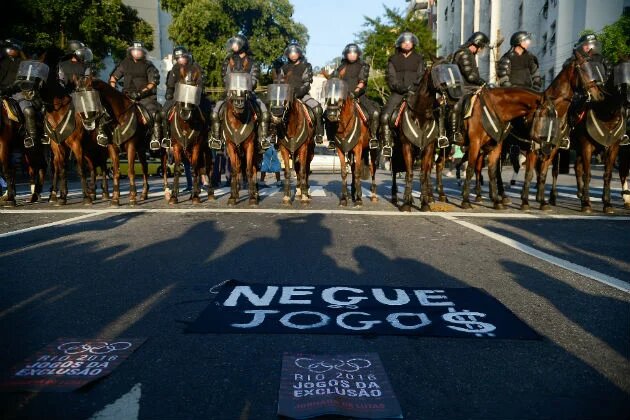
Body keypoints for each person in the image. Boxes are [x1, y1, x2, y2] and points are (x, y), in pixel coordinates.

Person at [209, 34, 271, 150]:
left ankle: (263, 138)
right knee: (215, 112)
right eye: (232, 44)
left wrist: (248, 88)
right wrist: (230, 89)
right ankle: (216, 138)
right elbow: (225, 77)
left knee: (264, 111)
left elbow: (254, 79)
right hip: (230, 94)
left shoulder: (252, 62)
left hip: (247, 94)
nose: (233, 46)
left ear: (242, 45)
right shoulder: (228, 60)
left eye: (236, 44)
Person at [109, 41, 162, 151]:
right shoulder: (124, 63)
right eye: (135, 50)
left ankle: (155, 139)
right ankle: (106, 137)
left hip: (144, 97)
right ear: (131, 52)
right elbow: (114, 77)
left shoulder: (149, 65)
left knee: (154, 113)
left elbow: (153, 82)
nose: (137, 53)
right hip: (126, 96)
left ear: (143, 53)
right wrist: (112, 89)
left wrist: (140, 93)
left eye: (139, 51)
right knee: (108, 112)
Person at [58, 40, 112, 147]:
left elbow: (88, 78)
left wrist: (81, 84)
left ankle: (101, 133)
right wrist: (66, 87)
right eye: (80, 51)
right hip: (66, 95)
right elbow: (61, 80)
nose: (83, 54)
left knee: (101, 108)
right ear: (73, 52)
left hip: (82, 94)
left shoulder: (85, 65)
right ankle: (46, 133)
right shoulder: (62, 65)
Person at [380, 32, 425, 157]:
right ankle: (387, 144)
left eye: (409, 41)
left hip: (415, 93)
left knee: (433, 113)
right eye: (404, 42)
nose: (407, 44)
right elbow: (391, 78)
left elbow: (421, 76)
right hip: (398, 93)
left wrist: (414, 88)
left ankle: (435, 139)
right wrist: (402, 88)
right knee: (384, 116)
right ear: (400, 44)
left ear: (413, 43)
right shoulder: (393, 59)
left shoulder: (419, 58)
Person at [330, 43, 380, 150]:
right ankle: (331, 139)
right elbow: (335, 80)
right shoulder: (341, 66)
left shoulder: (363, 65)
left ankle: (373, 137)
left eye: (354, 53)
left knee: (374, 113)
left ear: (358, 54)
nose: (352, 55)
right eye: (350, 53)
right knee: (328, 114)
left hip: (359, 96)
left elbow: (362, 82)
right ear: (346, 54)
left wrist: (355, 92)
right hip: (342, 98)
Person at [160, 46, 212, 148]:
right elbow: (170, 85)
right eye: (178, 58)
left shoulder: (195, 67)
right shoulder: (174, 69)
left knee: (208, 110)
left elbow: (201, 82)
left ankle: (210, 136)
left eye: (182, 57)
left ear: (187, 56)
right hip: (178, 97)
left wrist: (198, 91)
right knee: (163, 113)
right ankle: (166, 137)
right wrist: (169, 93)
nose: (181, 60)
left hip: (194, 97)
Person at [276, 42, 324, 145]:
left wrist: (298, 92)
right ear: (288, 54)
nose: (293, 55)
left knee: (318, 108)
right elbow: (280, 82)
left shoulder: (306, 66)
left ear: (299, 54)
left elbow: (307, 83)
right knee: (275, 109)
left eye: (295, 52)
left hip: (302, 95)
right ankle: (274, 136)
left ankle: (319, 134)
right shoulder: (283, 68)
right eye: (291, 53)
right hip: (286, 97)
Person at [450, 31, 491, 145]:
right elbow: (470, 75)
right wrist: (482, 82)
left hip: (471, 87)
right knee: (458, 105)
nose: (481, 50)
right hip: (462, 88)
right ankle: (454, 133)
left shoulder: (469, 54)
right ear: (477, 44)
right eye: (481, 47)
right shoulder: (464, 53)